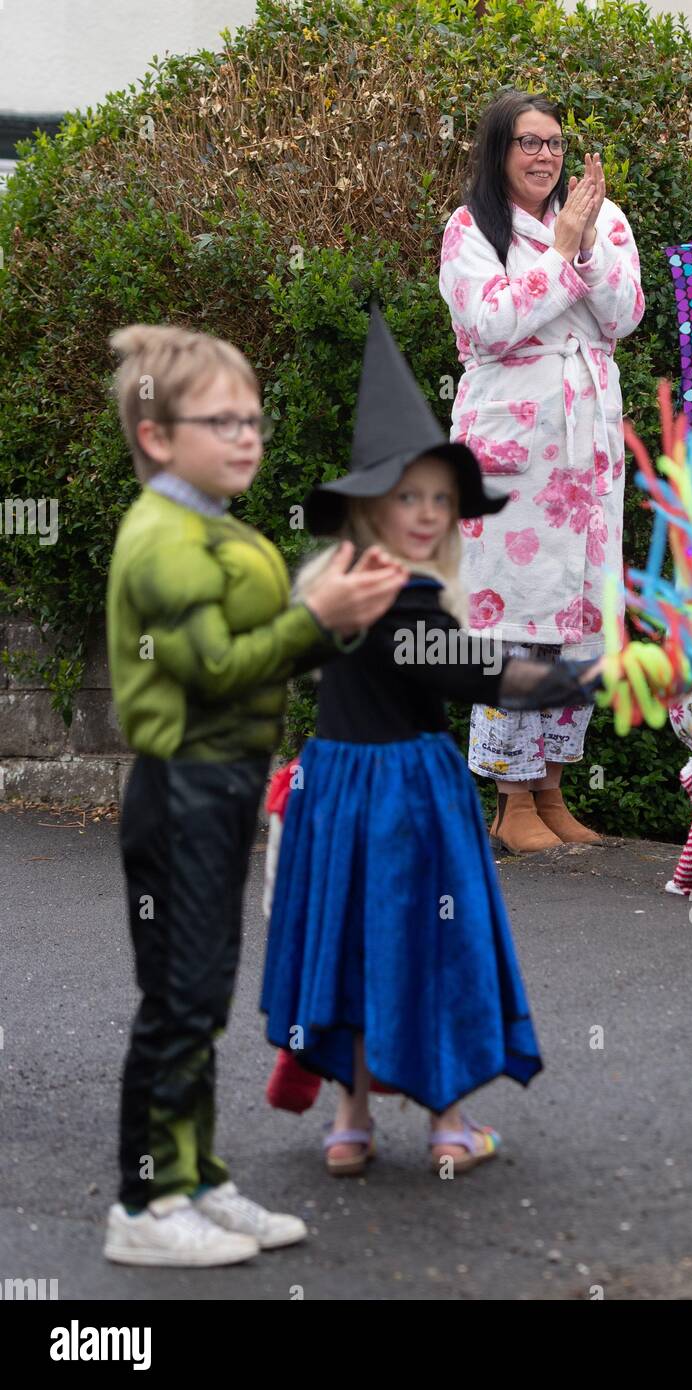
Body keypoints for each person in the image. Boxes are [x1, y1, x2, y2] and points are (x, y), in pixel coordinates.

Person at [261, 303, 614, 1177]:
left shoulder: (336, 582)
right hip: (403, 797)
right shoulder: (399, 596)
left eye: (438, 499)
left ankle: (349, 1126)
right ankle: (449, 1125)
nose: (425, 513)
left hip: (332, 788)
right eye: (405, 496)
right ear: (369, 508)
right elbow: (475, 673)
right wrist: (588, 677)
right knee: (431, 947)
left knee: (347, 943)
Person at [102, 322, 406, 1265]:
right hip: (183, 789)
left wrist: (329, 619)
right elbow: (216, 670)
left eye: (254, 420)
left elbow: (262, 649)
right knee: (179, 1001)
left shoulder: (213, 527)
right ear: (157, 436)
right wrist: (317, 619)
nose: (248, 437)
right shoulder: (161, 536)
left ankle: (192, 1178)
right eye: (222, 420)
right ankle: (145, 1207)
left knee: (201, 996)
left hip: (222, 788)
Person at [438, 89, 645, 853]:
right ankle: (509, 800)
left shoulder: (606, 218)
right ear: (498, 151)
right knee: (515, 619)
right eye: (527, 142)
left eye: (553, 143)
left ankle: (552, 790)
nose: (543, 155)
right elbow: (489, 324)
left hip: (586, 450)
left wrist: (586, 244)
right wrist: (558, 251)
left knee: (582, 624)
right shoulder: (469, 230)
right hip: (511, 453)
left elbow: (622, 318)